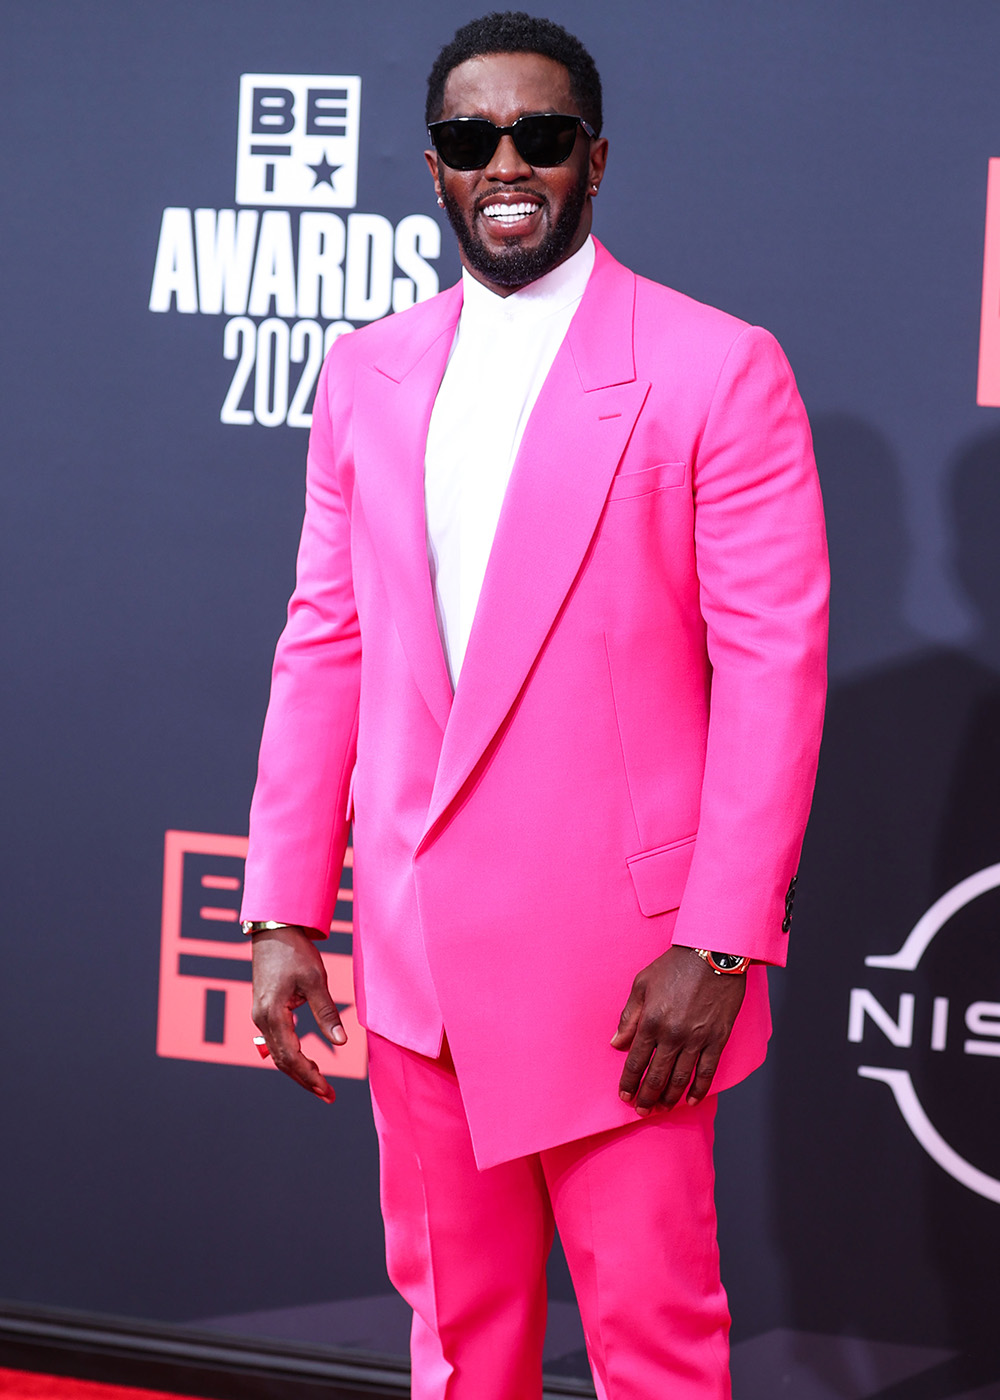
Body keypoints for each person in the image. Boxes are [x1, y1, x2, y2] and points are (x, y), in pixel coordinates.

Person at [241, 12, 828, 1399]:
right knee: (458, 1354)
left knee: (660, 1359)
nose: (507, 163)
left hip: (629, 983)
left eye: (541, 136)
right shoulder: (366, 374)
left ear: (596, 160)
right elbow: (325, 645)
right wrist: (280, 914)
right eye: (471, 137)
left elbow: (772, 675)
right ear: (436, 167)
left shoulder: (716, 368)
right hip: (419, 976)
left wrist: (723, 942)